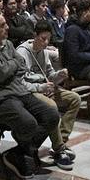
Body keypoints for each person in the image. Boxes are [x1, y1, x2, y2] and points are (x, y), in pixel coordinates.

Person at [0, 11, 60, 180]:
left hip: (19, 91)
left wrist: (8, 66)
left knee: (51, 115)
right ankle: (24, 152)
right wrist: (10, 65)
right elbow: (2, 73)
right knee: (29, 123)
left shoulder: (8, 44)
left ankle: (18, 152)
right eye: (2, 25)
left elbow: (21, 66)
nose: (7, 27)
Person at [17, 21, 79, 169]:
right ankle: (59, 149)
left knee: (75, 99)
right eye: (43, 38)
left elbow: (50, 75)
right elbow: (20, 83)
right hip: (31, 91)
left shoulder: (44, 52)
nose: (46, 43)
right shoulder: (22, 53)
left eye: (48, 39)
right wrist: (41, 87)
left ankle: (61, 140)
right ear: (35, 36)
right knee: (51, 106)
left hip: (46, 88)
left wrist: (60, 75)